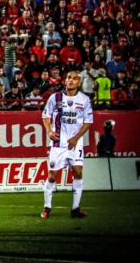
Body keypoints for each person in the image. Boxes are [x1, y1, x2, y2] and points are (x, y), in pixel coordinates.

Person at [41, 71, 93, 219]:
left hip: (75, 144)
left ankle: (75, 208)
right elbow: (45, 115)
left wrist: (76, 138)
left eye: (75, 78)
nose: (71, 80)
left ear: (79, 83)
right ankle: (47, 207)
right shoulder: (55, 97)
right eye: (69, 78)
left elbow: (88, 122)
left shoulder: (84, 100)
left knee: (78, 173)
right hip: (58, 143)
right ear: (65, 81)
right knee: (52, 176)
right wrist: (49, 130)